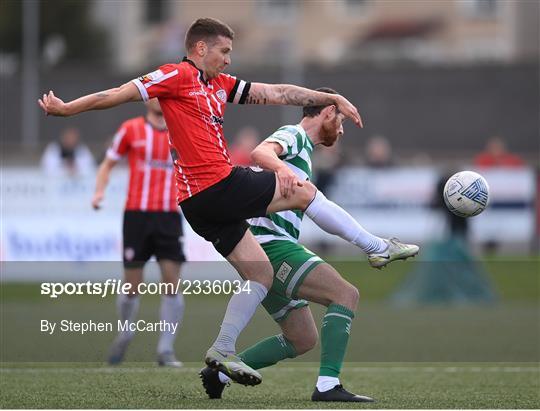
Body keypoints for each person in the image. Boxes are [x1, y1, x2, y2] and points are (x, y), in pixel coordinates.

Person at [38, 17, 411, 386]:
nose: (229, 59)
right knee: (301, 190)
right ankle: (375, 246)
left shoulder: (220, 84)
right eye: (224, 51)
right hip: (216, 185)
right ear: (200, 48)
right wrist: (67, 109)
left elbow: (279, 93)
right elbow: (116, 93)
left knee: (261, 273)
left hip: (199, 206)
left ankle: (222, 349)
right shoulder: (175, 75)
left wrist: (328, 97)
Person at [199, 88, 419, 402]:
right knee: (345, 294)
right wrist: (283, 169)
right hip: (270, 247)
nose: (341, 130)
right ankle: (328, 386)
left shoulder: (305, 153)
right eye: (341, 121)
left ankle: (221, 371)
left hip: (264, 250)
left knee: (301, 338)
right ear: (328, 112)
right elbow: (261, 152)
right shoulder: (295, 135)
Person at [91, 98, 185, 367]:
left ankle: (165, 350)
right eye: (154, 95)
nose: (159, 99)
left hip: (169, 216)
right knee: (132, 284)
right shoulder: (130, 129)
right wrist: (99, 191)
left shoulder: (181, 131)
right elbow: (108, 163)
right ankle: (125, 331)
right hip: (136, 216)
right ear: (148, 100)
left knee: (172, 280)